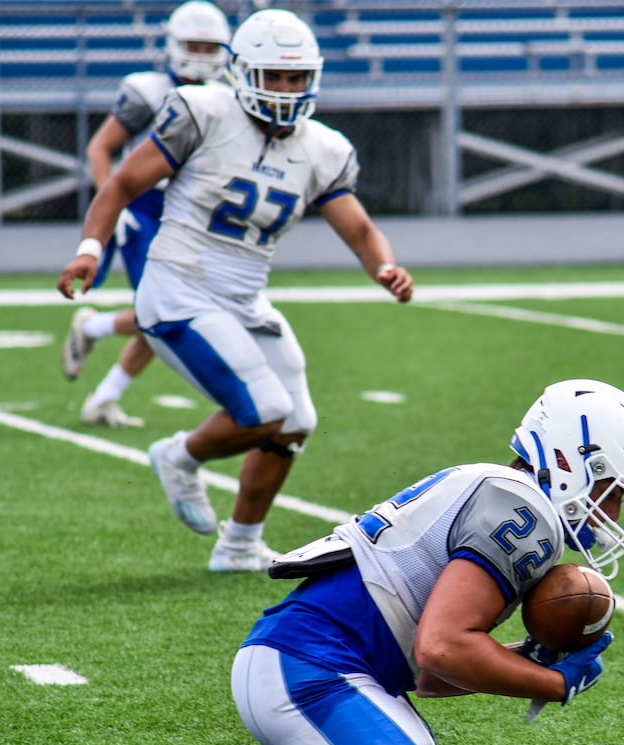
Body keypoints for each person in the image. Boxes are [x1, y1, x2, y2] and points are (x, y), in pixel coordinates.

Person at [130, 379, 624, 745]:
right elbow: (442, 649)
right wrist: (555, 683)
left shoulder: (494, 486)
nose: (612, 509)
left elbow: (428, 675)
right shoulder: (523, 514)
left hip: (297, 661)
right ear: (575, 461)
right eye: (612, 489)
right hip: (310, 671)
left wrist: (518, 658)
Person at [57, 8, 415, 571]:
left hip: (245, 298)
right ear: (243, 72)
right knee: (265, 410)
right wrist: (89, 250)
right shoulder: (204, 112)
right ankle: (179, 457)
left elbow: (359, 226)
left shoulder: (321, 147)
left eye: (297, 78)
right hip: (179, 286)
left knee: (295, 421)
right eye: (275, 76)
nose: (287, 89)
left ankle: (240, 544)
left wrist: (385, 267)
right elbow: (123, 182)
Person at [61, 0, 233, 429]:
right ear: (174, 44)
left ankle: (100, 374)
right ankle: (98, 359)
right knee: (164, 311)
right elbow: (100, 149)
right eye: (192, 44)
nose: (200, 55)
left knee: (169, 314)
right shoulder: (150, 92)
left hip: (193, 214)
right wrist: (112, 204)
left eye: (209, 47)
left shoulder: (227, 97)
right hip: (145, 209)